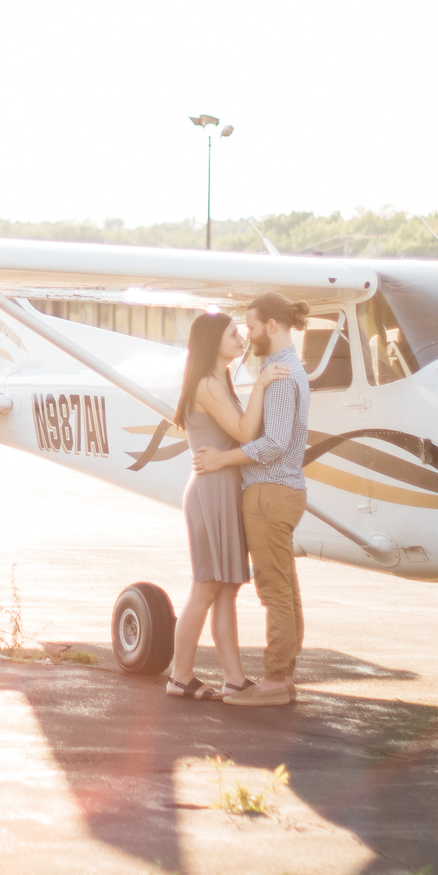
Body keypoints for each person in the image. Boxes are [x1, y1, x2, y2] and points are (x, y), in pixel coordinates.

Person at [140, 312, 266, 701]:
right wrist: (262, 384)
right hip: (211, 491)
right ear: (214, 341)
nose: (240, 337)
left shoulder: (218, 381)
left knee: (225, 589)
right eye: (233, 333)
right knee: (206, 587)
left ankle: (234, 678)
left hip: (222, 488)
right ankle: (180, 676)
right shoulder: (209, 385)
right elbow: (246, 432)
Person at [193, 292, 310, 706]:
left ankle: (275, 682)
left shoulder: (277, 375)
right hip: (286, 490)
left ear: (272, 326)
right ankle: (285, 674)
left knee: (274, 592)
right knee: (287, 590)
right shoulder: (292, 369)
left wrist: (224, 456)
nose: (248, 334)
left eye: (253, 326)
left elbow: (274, 442)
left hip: (267, 492)